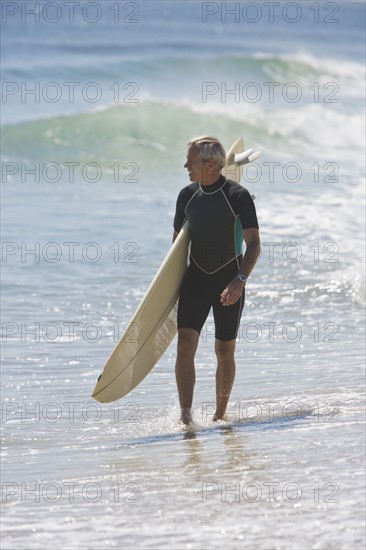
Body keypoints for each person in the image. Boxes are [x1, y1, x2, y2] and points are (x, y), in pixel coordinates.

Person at [173, 136, 260, 425]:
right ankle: (186, 417)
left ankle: (219, 416)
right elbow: (176, 249)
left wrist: (240, 280)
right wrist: (169, 292)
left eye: (191, 161)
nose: (186, 165)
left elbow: (254, 245)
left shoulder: (238, 196)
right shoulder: (186, 196)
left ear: (210, 164)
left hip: (228, 282)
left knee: (224, 351)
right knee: (185, 346)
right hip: (195, 281)